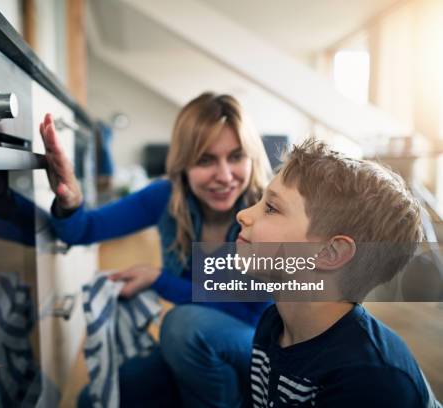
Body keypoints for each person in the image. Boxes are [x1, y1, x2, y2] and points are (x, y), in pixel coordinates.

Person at [39, 92, 272, 407]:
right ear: (184, 163)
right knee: (92, 401)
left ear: (252, 157)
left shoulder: (267, 212)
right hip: (198, 346)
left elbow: (248, 311)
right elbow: (85, 229)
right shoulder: (166, 197)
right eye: (206, 160)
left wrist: (159, 280)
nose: (225, 175)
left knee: (181, 325)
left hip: (258, 350)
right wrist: (70, 199)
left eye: (235, 156)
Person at [235, 139, 441, 407]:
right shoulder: (273, 325)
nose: (243, 214)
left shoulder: (370, 379)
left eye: (271, 208)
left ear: (330, 253)